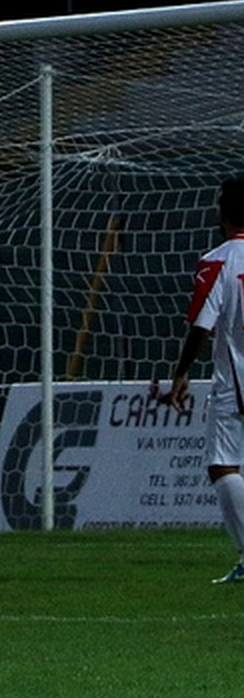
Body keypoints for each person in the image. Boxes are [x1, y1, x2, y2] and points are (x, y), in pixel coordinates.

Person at [163, 179, 244, 584]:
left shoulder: (220, 260)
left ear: (225, 214)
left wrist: (181, 372)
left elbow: (201, 324)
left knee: (223, 465)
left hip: (236, 382)